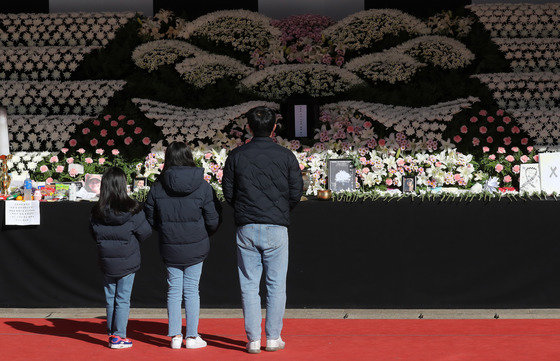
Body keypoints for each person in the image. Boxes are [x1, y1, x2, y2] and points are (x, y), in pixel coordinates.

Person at [222, 106, 303, 354]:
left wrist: (245, 210)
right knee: (276, 285)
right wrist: (279, 211)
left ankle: (253, 339)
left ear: (248, 128)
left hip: (247, 225)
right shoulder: (286, 156)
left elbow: (228, 192)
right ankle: (273, 337)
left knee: (249, 285)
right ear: (274, 128)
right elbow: (295, 191)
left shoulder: (236, 156)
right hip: (276, 226)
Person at [144, 141, 220, 350]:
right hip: (196, 245)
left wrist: (166, 230)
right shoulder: (203, 185)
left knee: (174, 290)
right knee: (192, 290)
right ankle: (193, 336)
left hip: (170, 245)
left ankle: (175, 336)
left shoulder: (158, 186)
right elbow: (213, 218)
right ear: (188, 157)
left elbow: (150, 217)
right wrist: (204, 232)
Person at [90, 167, 152, 349]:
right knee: (123, 298)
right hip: (127, 260)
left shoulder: (96, 211)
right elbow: (145, 232)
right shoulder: (132, 209)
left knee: (110, 298)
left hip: (107, 260)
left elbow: (93, 233)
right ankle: (119, 336)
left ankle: (112, 334)